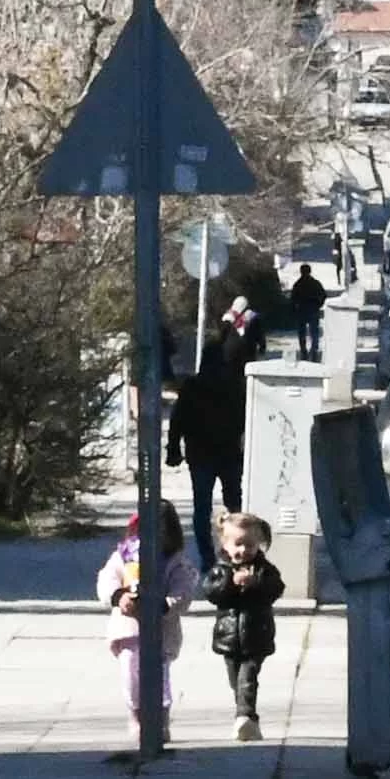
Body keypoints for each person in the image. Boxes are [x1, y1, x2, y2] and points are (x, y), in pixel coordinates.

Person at [104, 515, 201, 755]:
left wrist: (166, 605)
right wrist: (118, 596)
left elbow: (184, 590)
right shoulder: (123, 556)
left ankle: (161, 719)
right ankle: (136, 716)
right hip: (129, 628)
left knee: (160, 677)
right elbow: (107, 579)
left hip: (161, 630)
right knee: (131, 675)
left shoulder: (176, 563)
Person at [174, 305, 252, 557]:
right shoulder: (236, 388)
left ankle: (208, 558)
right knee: (235, 504)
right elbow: (245, 421)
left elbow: (178, 418)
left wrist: (173, 447)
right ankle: (235, 551)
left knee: (201, 507)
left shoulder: (192, 386)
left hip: (200, 454)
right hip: (229, 453)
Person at [208, 513, 288, 738]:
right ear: (225, 544)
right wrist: (229, 583)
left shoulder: (263, 568)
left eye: (250, 545)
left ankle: (245, 716)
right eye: (238, 544)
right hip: (229, 637)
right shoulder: (221, 569)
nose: (243, 550)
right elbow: (211, 592)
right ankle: (246, 717)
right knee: (236, 680)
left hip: (256, 635)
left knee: (247, 677)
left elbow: (276, 588)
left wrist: (257, 583)